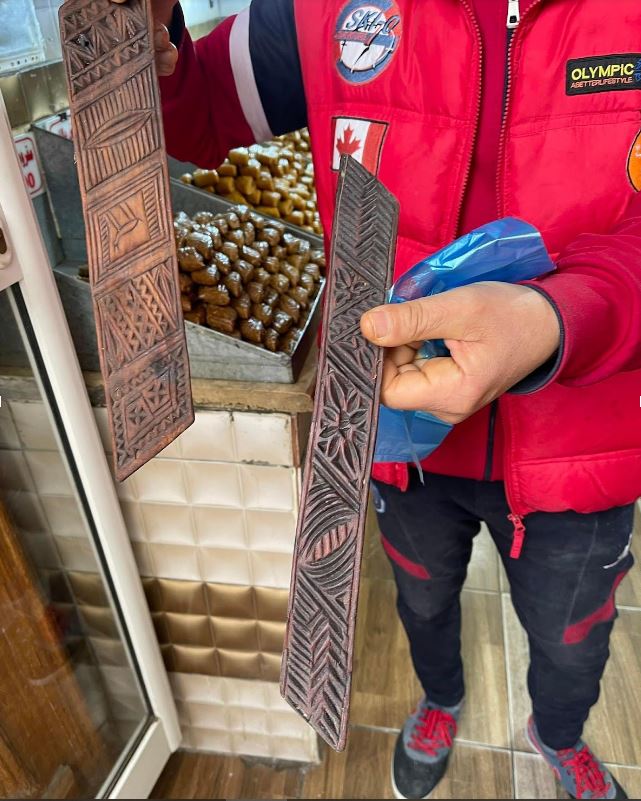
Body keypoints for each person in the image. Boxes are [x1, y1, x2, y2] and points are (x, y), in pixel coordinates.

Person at [111, 1, 641, 797]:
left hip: (582, 440)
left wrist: (561, 317)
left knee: (573, 638)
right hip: (397, 432)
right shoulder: (316, 10)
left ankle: (558, 733)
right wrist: (152, 52)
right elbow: (205, 108)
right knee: (421, 599)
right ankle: (440, 699)